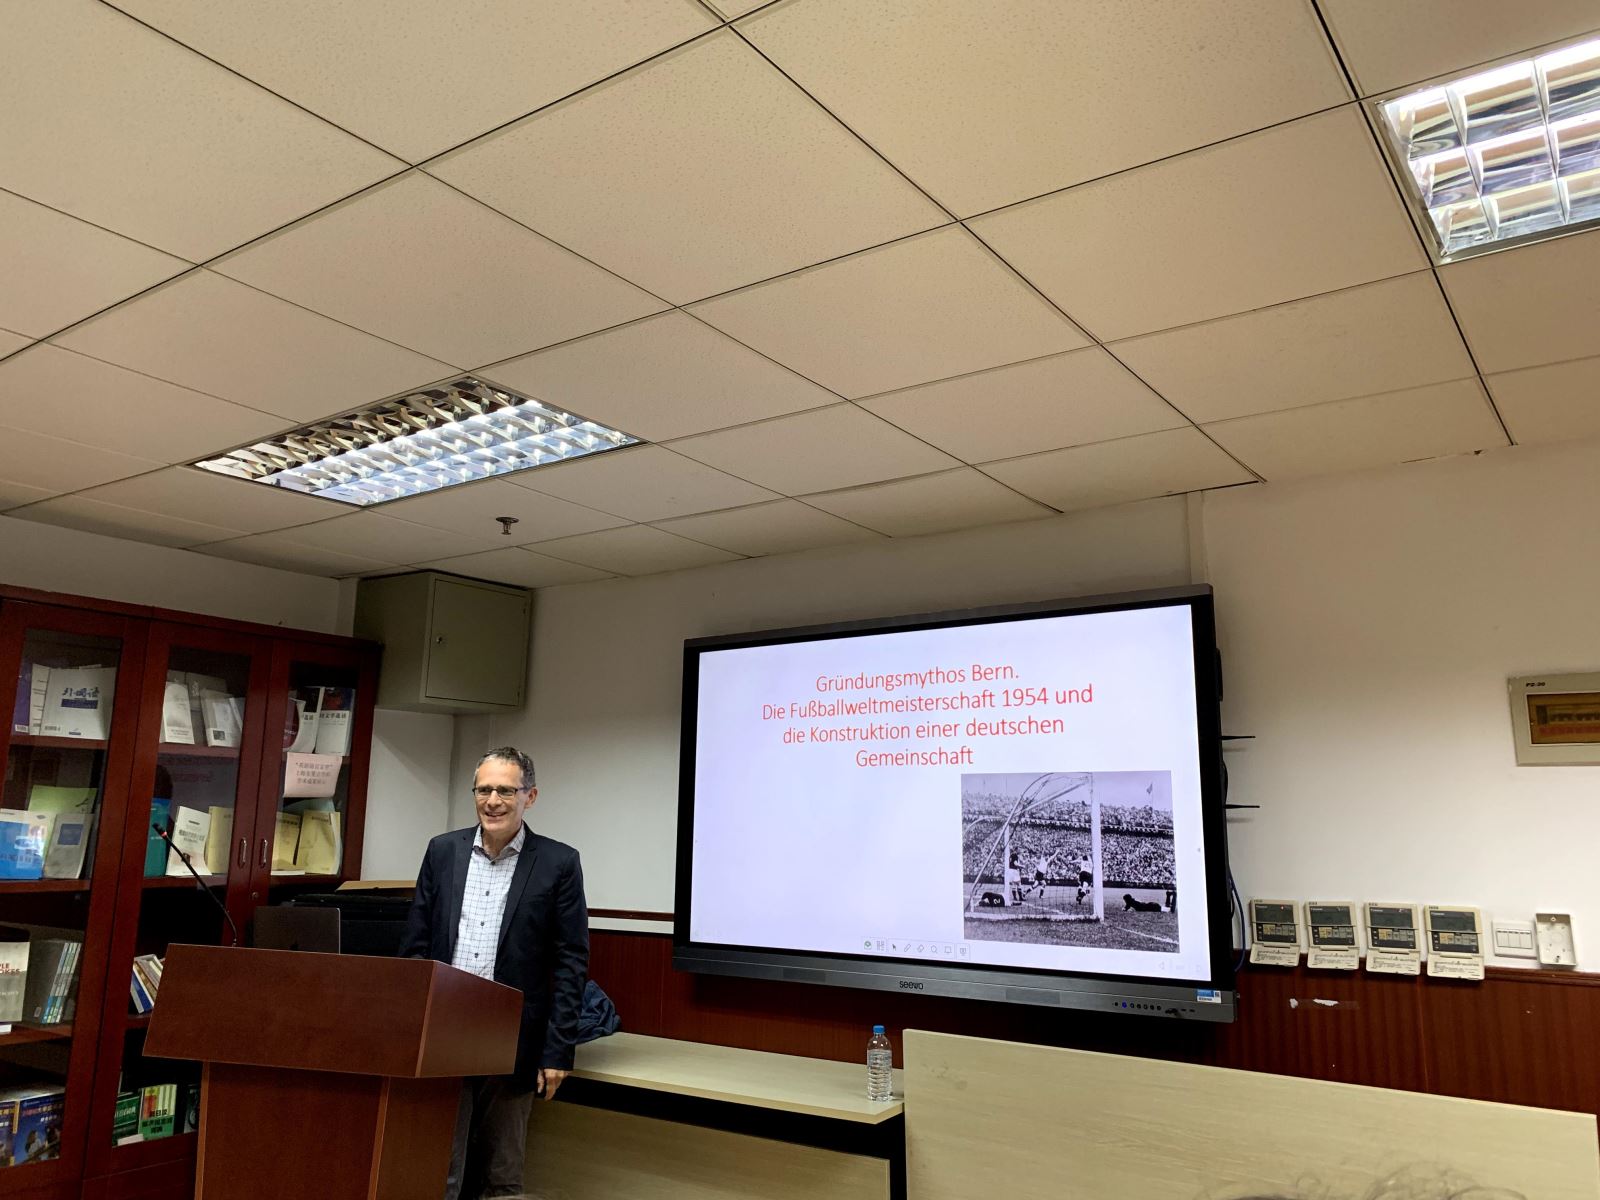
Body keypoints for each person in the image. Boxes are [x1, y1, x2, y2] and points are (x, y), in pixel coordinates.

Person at [401, 746, 589, 1200]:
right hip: (444, 1033)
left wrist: (558, 1051)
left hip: (514, 1037)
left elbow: (570, 962)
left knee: (502, 1176)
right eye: (483, 790)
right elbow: (416, 946)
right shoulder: (443, 851)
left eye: (505, 790)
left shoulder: (558, 863)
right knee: (439, 1170)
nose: (492, 801)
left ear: (530, 796)